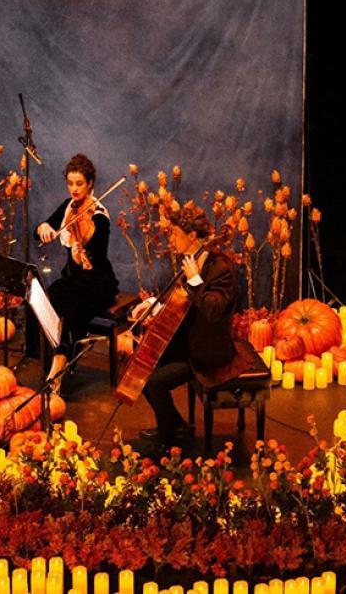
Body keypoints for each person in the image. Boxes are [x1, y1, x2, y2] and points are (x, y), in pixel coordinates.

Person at [130, 204, 238, 453]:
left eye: (175, 234)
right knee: (142, 367)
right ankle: (174, 424)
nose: (171, 239)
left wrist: (195, 280)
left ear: (192, 236)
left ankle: (170, 439)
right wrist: (150, 305)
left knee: (154, 382)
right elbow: (180, 300)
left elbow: (212, 310)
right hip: (187, 340)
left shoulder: (221, 269)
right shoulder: (192, 259)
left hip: (207, 350)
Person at [35, 153, 119, 390]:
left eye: (79, 184)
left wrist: (80, 249)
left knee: (71, 315)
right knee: (46, 302)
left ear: (90, 183)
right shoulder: (68, 207)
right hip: (73, 279)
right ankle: (54, 356)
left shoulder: (100, 216)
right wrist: (43, 227)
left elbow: (97, 250)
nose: (74, 189)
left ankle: (57, 371)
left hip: (97, 283)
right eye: (70, 183)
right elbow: (42, 229)